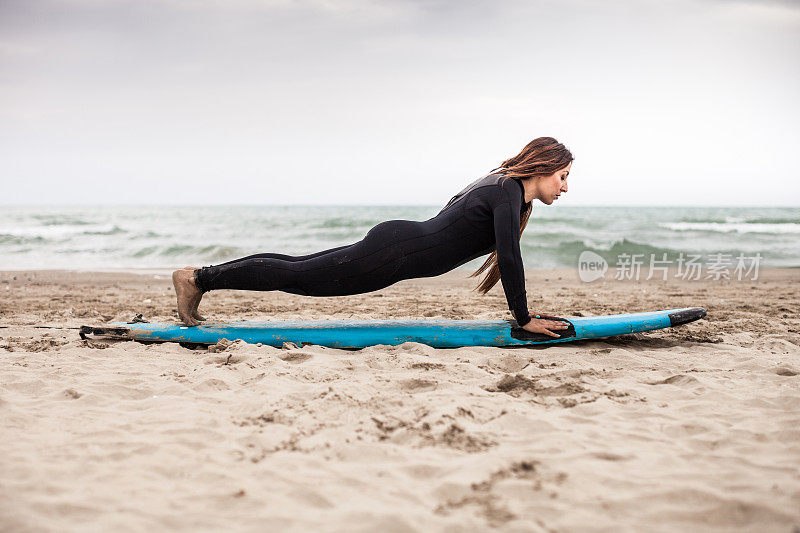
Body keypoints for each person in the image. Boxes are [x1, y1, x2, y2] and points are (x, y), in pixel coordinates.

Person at [172, 136, 572, 338]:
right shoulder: (507, 191)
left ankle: (201, 277)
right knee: (297, 276)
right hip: (392, 253)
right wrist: (523, 318)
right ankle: (198, 279)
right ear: (545, 166)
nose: (565, 187)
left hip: (394, 246)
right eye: (563, 176)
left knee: (298, 268)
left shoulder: (506, 193)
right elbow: (510, 256)